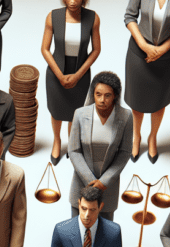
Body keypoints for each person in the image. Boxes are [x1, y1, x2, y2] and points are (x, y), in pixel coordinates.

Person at [123, 0, 170, 163]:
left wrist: (164, 48)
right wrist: (143, 44)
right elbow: (129, 17)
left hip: (166, 56)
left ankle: (152, 137)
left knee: (159, 101)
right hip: (140, 53)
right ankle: (136, 137)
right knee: (137, 101)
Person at [67, 71, 132, 221]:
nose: (102, 100)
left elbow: (125, 152)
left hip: (108, 187)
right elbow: (74, 150)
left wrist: (104, 182)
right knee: (77, 228)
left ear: (115, 95)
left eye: (107, 95)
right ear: (93, 94)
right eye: (98, 94)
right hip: (82, 182)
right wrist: (90, 180)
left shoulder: (125, 116)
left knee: (105, 231)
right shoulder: (80, 114)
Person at [41, 0, 101, 165]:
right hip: (56, 71)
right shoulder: (52, 17)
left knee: (74, 112)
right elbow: (45, 49)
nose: (73, 1)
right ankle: (56, 141)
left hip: (80, 73)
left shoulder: (93, 18)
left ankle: (71, 142)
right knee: (56, 110)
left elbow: (96, 50)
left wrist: (78, 75)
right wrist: (60, 75)